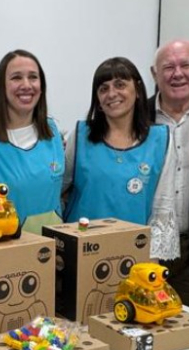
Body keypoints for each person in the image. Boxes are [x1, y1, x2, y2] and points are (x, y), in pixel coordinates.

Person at [64, 57, 178, 262]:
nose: (112, 94)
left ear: (137, 91)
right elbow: (59, 188)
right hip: (80, 254)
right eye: (103, 88)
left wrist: (152, 263)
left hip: (135, 256)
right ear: (97, 100)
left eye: (120, 85)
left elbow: (163, 205)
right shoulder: (81, 135)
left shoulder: (162, 139)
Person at [148, 39, 189, 305]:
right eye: (168, 67)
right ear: (154, 74)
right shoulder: (137, 116)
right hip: (145, 243)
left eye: (185, 65)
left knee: (185, 327)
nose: (177, 74)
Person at [0, 49, 65, 234]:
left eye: (33, 77)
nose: (26, 85)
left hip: (56, 248)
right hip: (9, 249)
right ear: (2, 86)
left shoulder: (53, 131)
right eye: (16, 78)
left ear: (41, 85)